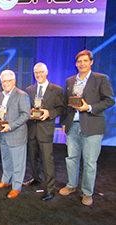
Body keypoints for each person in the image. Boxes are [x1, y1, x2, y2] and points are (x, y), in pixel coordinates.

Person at [59, 50, 115, 206]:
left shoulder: (101, 79)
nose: (82, 64)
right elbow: (65, 104)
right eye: (79, 61)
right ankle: (71, 185)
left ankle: (87, 192)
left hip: (92, 126)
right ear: (76, 64)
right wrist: (64, 122)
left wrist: (89, 107)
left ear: (91, 62)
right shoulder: (70, 81)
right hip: (72, 126)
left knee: (90, 162)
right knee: (71, 159)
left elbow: (109, 100)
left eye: (85, 61)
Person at [24, 62, 65, 201]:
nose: (38, 74)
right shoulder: (29, 89)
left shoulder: (56, 89)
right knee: (32, 158)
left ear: (46, 72)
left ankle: (50, 189)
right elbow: (26, 107)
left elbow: (61, 108)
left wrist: (49, 112)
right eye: (36, 72)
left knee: (47, 161)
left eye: (41, 72)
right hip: (31, 129)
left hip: (45, 130)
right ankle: (35, 178)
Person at [0, 70, 30, 199]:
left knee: (18, 162)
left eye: (8, 81)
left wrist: (11, 126)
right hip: (2, 134)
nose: (6, 83)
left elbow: (26, 114)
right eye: (3, 81)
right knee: (6, 159)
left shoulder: (22, 95)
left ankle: (16, 187)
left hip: (16, 134)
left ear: (14, 81)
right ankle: (5, 181)